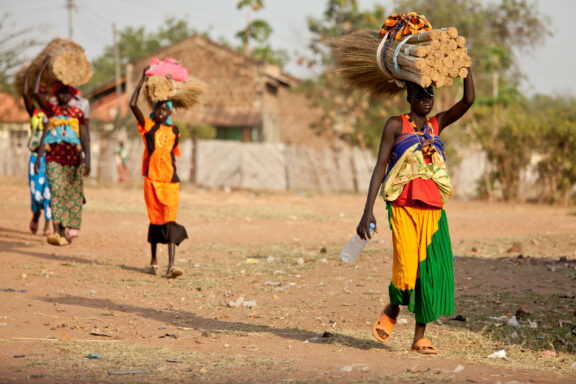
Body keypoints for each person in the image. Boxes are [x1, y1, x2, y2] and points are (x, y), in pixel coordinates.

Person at [356, 70, 475, 354]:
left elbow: (468, 100)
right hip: (403, 207)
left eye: (429, 95)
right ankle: (394, 306)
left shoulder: (437, 124)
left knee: (429, 272)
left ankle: (420, 336)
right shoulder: (395, 125)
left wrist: (465, 68)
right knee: (407, 268)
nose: (425, 99)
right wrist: (367, 211)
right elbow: (380, 166)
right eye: (419, 94)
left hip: (434, 211)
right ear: (408, 96)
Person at [129, 67, 188, 278]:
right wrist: (141, 81)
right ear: (155, 110)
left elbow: (173, 155)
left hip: (170, 182)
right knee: (156, 220)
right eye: (159, 109)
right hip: (152, 181)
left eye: (165, 110)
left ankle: (171, 265)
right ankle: (153, 260)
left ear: (170, 111)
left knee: (170, 220)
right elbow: (132, 105)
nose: (162, 113)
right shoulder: (148, 127)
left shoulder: (175, 131)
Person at [33, 56, 91, 246]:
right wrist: (42, 69)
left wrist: (87, 159)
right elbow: (35, 92)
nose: (64, 96)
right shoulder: (51, 111)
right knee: (56, 191)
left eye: (67, 93)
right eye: (61, 93)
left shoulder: (78, 114)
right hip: (53, 159)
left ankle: (66, 229)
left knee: (71, 195)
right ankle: (57, 232)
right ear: (56, 95)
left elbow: (85, 138)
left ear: (72, 95)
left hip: (74, 160)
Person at [21, 67, 52, 236]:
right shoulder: (35, 112)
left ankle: (48, 225)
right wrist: (27, 75)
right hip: (35, 157)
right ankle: (36, 215)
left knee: (49, 190)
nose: (45, 97)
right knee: (36, 192)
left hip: (51, 157)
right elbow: (26, 94)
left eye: (48, 94)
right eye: (42, 94)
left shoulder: (55, 113)